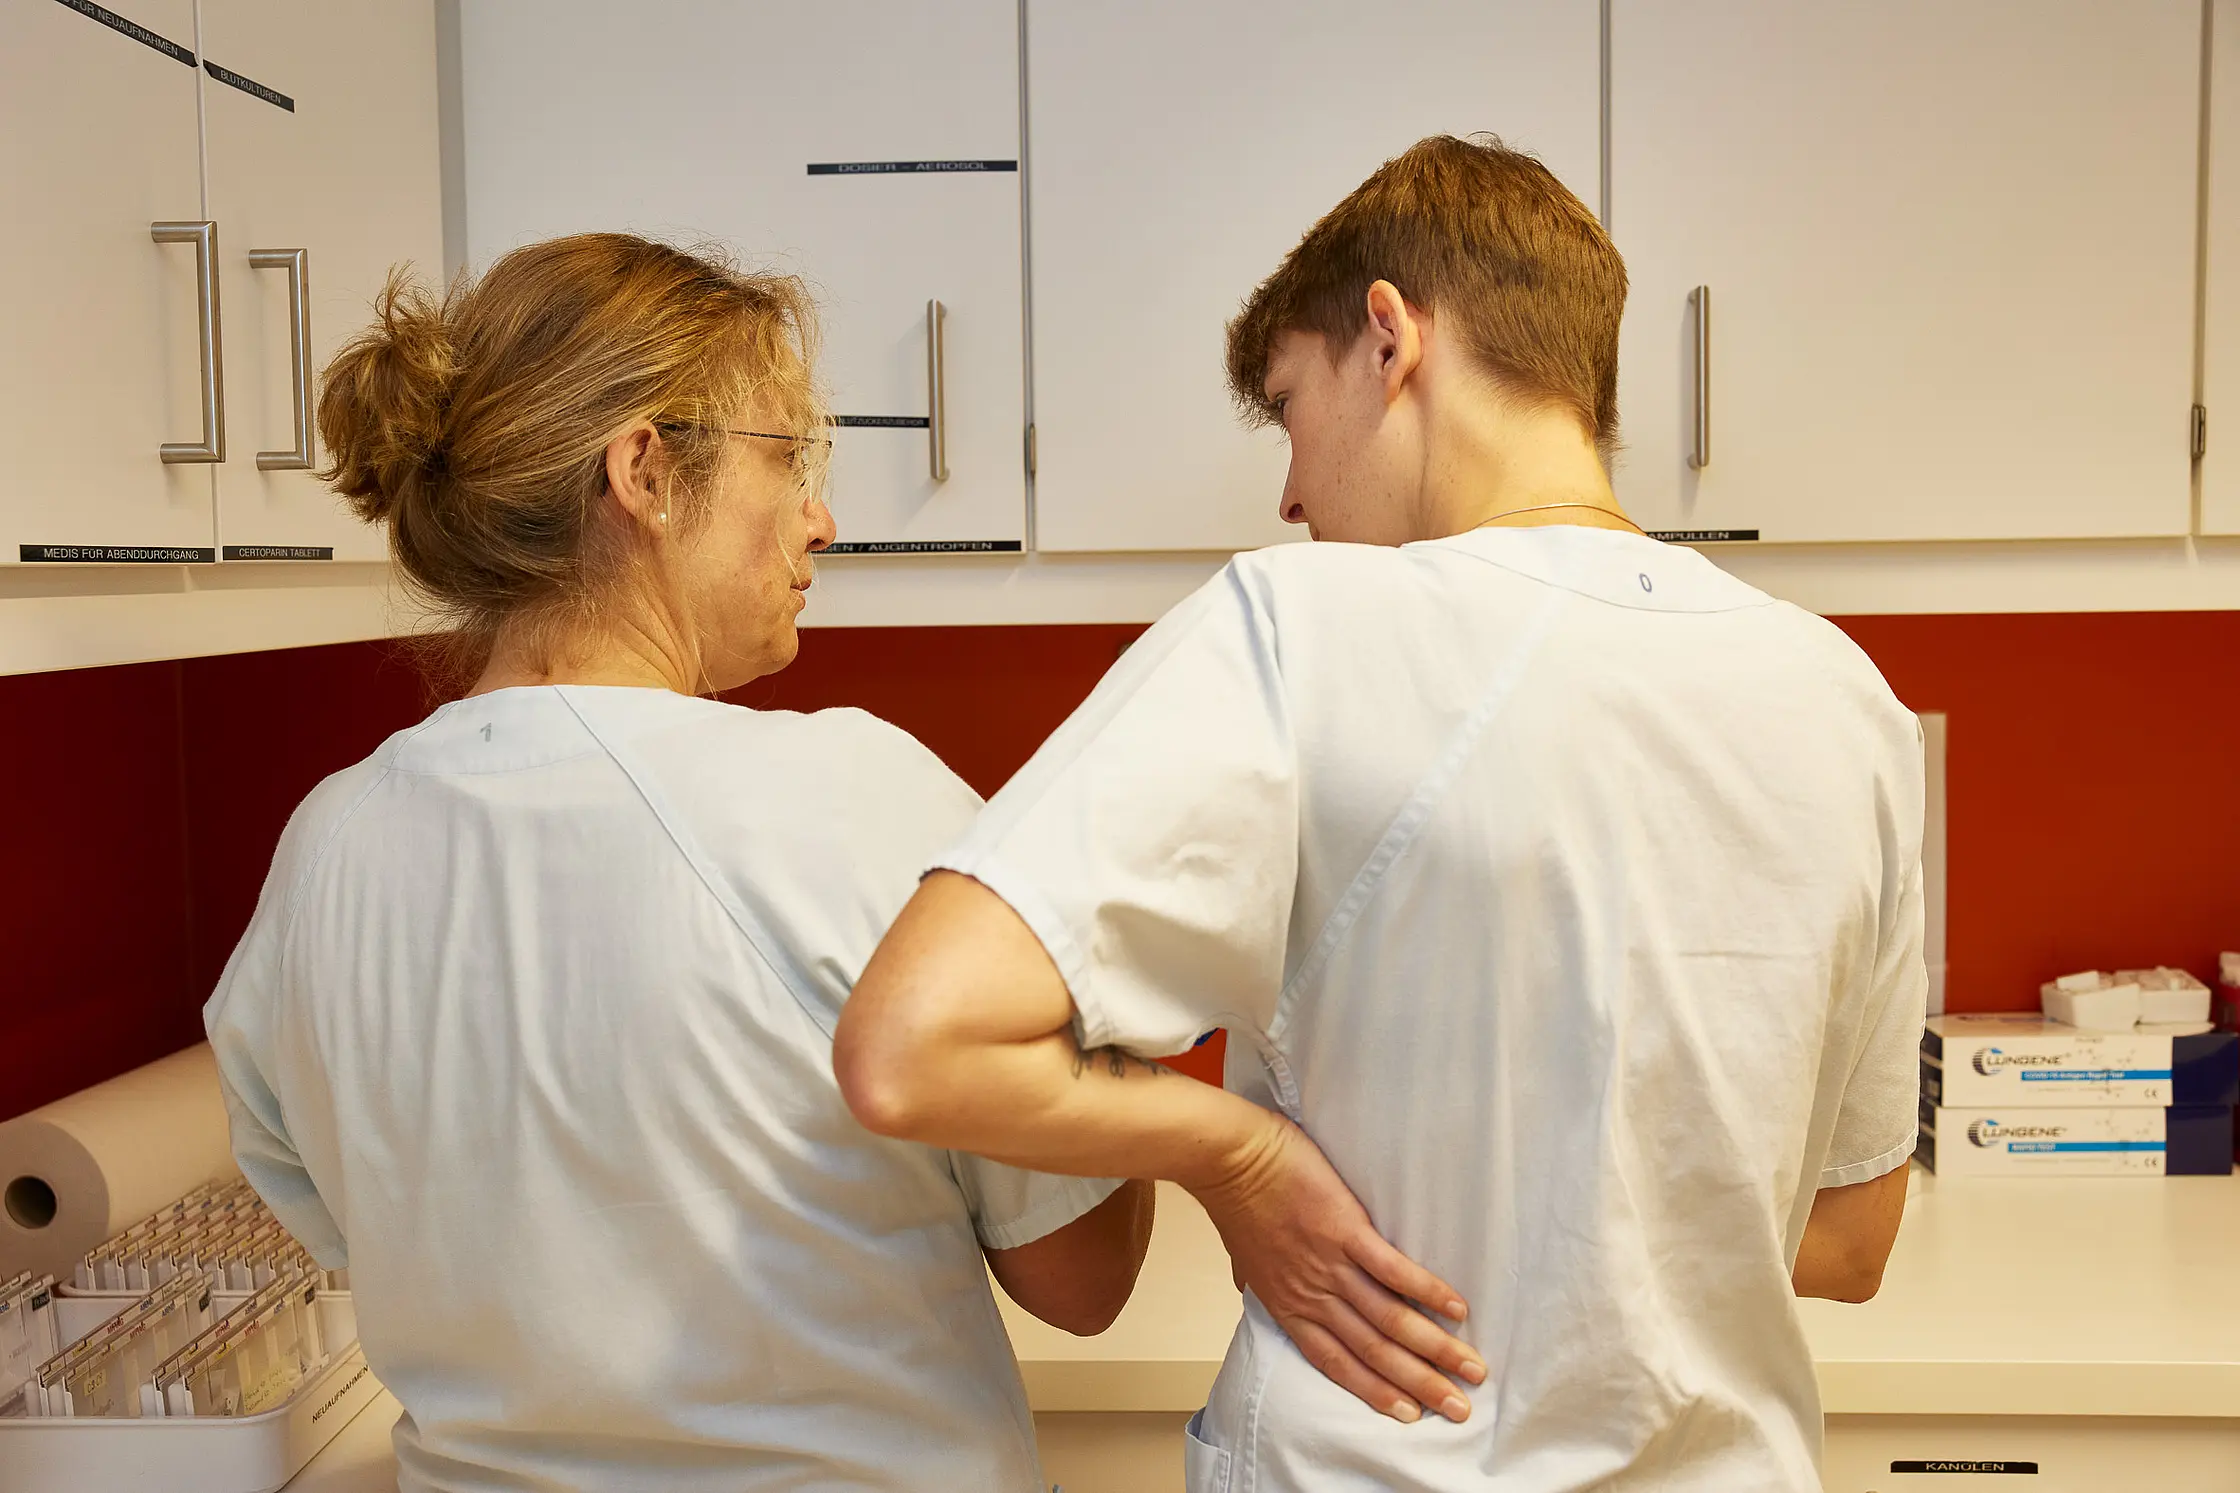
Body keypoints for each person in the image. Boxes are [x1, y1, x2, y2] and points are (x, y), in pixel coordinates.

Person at [835, 135, 1924, 1491]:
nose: (1288, 492)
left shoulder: (1306, 625)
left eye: (1288, 407)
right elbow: (1852, 1238)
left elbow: (909, 1045)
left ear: (1389, 337)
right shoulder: (1849, 702)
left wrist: (1239, 1160)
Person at [201, 233, 1156, 1491]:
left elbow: (368, 1235)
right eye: (792, 458)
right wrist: (1118, 1013)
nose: (819, 516)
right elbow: (1080, 1279)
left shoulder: (321, 856)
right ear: (644, 471)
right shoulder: (853, 797)